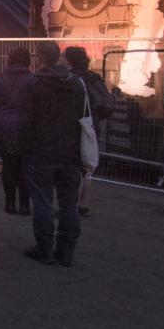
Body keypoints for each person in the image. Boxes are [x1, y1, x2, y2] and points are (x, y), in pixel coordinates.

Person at [18, 41, 88, 266]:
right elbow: (86, 116)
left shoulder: (33, 84)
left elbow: (25, 121)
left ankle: (44, 248)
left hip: (41, 152)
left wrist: (23, 148)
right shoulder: (76, 83)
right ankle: (66, 251)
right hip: (70, 152)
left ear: (39, 58)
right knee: (69, 203)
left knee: (42, 201)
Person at [0, 46, 33, 215]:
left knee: (8, 166)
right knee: (25, 167)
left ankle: (10, 203)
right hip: (27, 128)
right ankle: (25, 205)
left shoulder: (1, 79)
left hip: (4, 128)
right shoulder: (33, 80)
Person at [63, 46, 112, 218]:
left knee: (72, 166)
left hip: (72, 127)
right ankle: (84, 204)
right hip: (92, 126)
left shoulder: (69, 79)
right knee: (88, 165)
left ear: (68, 60)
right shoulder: (94, 77)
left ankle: (69, 205)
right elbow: (106, 103)